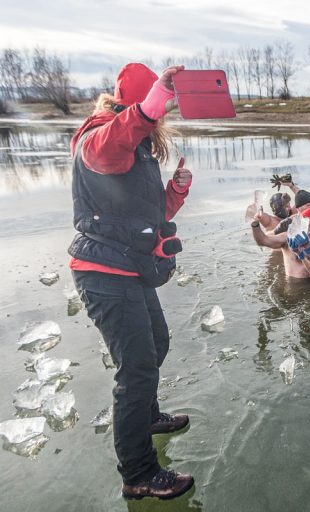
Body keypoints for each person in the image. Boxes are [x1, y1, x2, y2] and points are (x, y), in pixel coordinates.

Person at [68, 63, 194, 500]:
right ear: (136, 106)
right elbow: (104, 151)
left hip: (130, 266)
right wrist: (149, 107)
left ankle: (149, 415)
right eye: (154, 111)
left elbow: (145, 216)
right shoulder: (99, 134)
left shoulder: (135, 146)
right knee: (136, 367)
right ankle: (138, 472)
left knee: (156, 343)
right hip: (103, 272)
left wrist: (174, 192)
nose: (158, 122)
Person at [251, 208, 310, 278]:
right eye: (305, 219)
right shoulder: (287, 237)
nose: (308, 223)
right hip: (293, 284)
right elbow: (262, 241)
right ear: (299, 223)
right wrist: (255, 225)